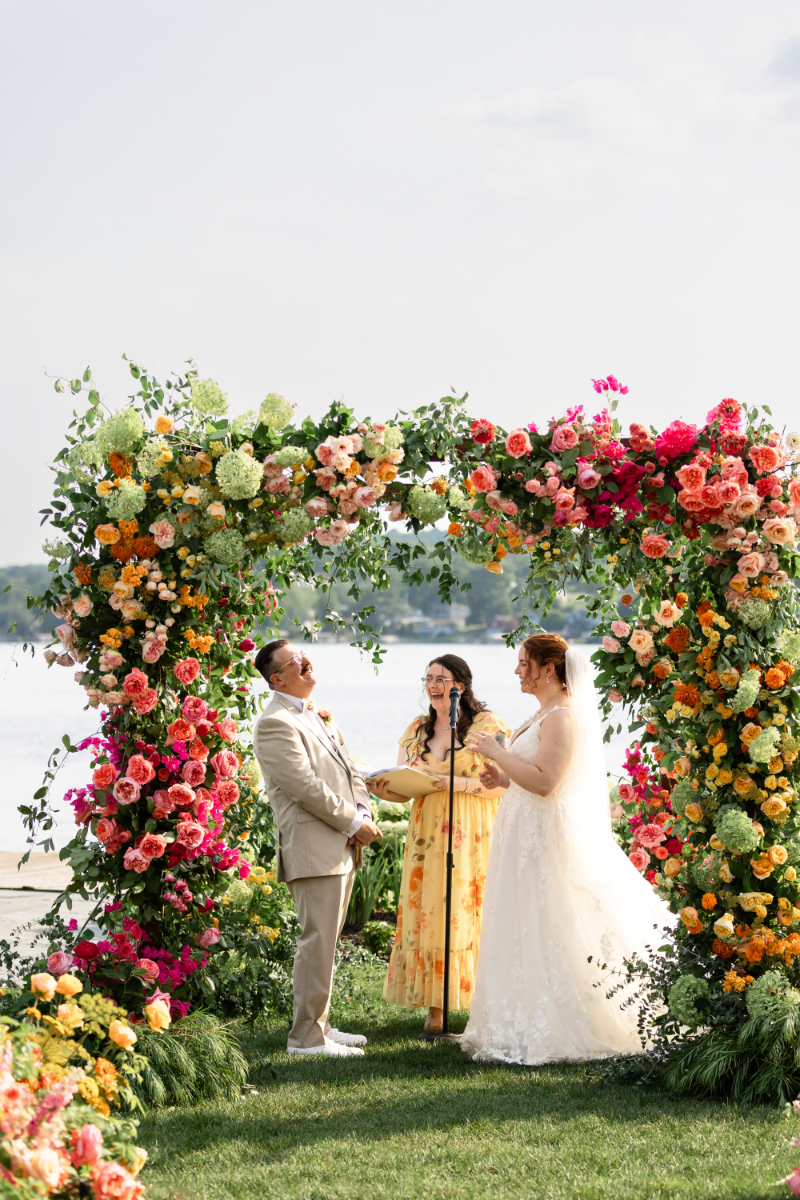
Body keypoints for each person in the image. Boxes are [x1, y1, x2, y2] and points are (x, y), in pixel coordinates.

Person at [459, 632, 674, 1064]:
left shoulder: (562, 716)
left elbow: (547, 783)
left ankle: (569, 1020)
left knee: (553, 923)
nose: (518, 671)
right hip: (524, 835)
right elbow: (531, 778)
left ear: (549, 669)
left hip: (546, 842)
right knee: (526, 924)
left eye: (525, 663)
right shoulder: (543, 713)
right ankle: (519, 1016)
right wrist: (502, 780)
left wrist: (498, 753)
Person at [253, 638, 382, 1057]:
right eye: (296, 660)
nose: (307, 661)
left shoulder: (320, 715)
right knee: (316, 941)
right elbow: (305, 788)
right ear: (277, 678)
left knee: (328, 941)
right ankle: (305, 1039)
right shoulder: (275, 724)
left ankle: (320, 1025)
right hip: (313, 845)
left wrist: (362, 811)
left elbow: (351, 769)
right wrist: (351, 822)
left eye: (305, 655)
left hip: (340, 843)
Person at [372, 654, 511, 1033]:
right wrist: (386, 790)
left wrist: (459, 785)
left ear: (460, 686)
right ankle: (435, 1012)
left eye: (442, 678)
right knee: (431, 915)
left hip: (473, 833)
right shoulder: (418, 728)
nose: (433, 685)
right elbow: (404, 781)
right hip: (426, 835)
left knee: (470, 914)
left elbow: (506, 782)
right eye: (428, 678)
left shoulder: (488, 726)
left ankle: (488, 1007)